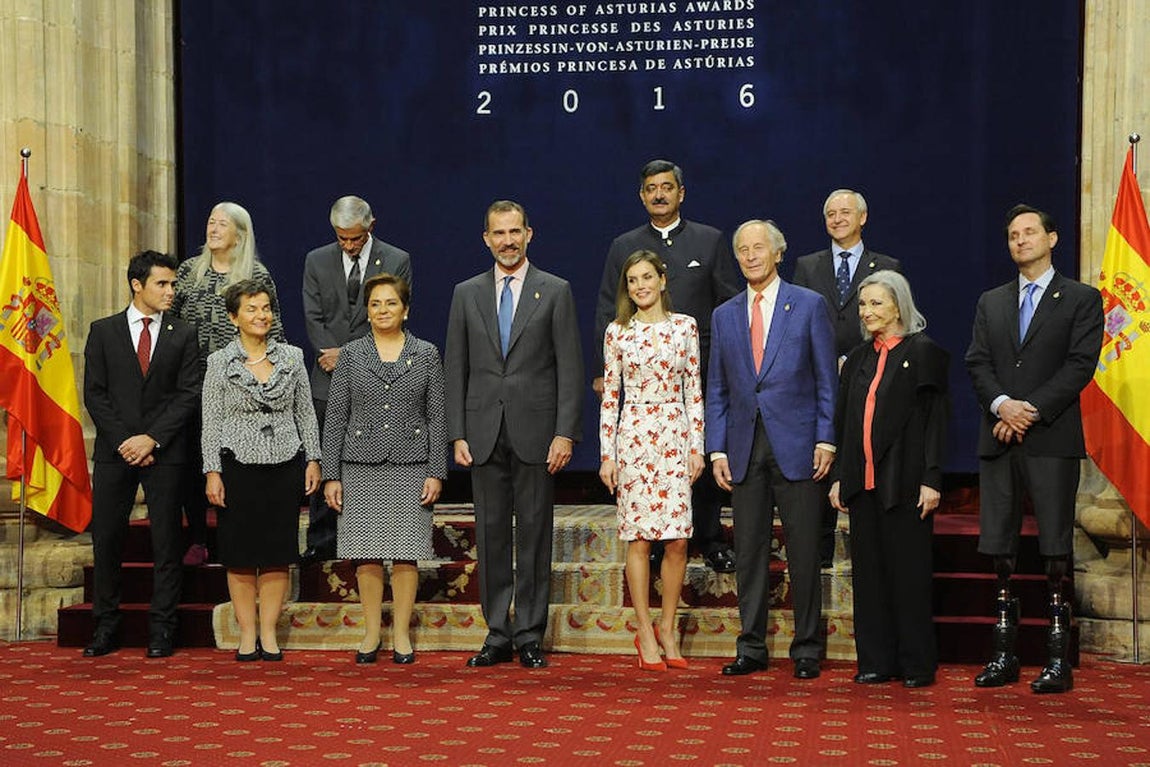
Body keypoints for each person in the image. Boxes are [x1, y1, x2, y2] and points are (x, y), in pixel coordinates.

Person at [965, 204, 1103, 694]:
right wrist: (1003, 405)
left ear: (1052, 239)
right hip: (1000, 436)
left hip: (1051, 437)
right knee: (999, 545)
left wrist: (1029, 410)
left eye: (1029, 233)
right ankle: (1004, 654)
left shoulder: (1082, 299)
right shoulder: (992, 301)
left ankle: (1056, 658)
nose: (1020, 241)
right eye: (1012, 235)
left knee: (1054, 548)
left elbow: (1081, 364)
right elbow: (978, 362)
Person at [445, 200, 583, 669]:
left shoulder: (556, 290)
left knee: (535, 534)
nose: (507, 241)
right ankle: (496, 633)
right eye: (498, 233)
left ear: (529, 234)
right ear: (486, 238)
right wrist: (457, 432)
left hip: (537, 433)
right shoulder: (465, 293)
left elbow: (570, 366)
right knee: (490, 535)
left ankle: (529, 632)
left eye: (515, 232)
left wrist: (565, 433)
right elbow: (456, 367)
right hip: (482, 432)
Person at [593, 159, 741, 574]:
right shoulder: (624, 245)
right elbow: (607, 306)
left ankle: (710, 538)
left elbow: (727, 306)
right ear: (641, 196)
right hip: (639, 375)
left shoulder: (709, 241)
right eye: (651, 188)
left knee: (702, 456)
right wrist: (602, 373)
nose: (659, 194)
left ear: (681, 193)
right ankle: (654, 542)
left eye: (667, 187)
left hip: (701, 370)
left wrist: (728, 370)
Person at [706, 219, 837, 679]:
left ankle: (806, 649)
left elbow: (826, 379)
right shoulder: (724, 315)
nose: (750, 256)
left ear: (778, 252)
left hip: (799, 445)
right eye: (742, 249)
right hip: (743, 449)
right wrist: (716, 450)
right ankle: (752, 645)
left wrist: (826, 437)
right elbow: (717, 388)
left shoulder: (808, 306)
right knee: (749, 552)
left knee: (803, 550)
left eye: (758, 247)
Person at [829, 270, 950, 688]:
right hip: (863, 485)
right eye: (863, 304)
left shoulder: (924, 352)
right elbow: (845, 423)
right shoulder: (857, 360)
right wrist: (841, 480)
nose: (867, 312)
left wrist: (932, 478)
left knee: (909, 575)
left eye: (876, 303)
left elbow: (935, 422)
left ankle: (916, 663)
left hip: (906, 483)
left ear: (899, 305)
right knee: (870, 575)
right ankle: (876, 660)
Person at [82, 250, 201, 658]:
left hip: (165, 453)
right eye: (162, 284)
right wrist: (127, 442)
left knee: (167, 542)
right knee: (108, 540)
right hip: (116, 453)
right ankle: (105, 626)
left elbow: (189, 393)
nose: (171, 291)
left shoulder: (183, 333)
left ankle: (162, 630)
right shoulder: (104, 331)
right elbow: (95, 395)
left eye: (172, 284)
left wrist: (151, 439)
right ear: (137, 285)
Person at [321, 273, 445, 665]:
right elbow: (336, 415)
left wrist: (436, 471)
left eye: (390, 303)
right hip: (359, 466)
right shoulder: (352, 354)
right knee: (367, 552)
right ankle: (372, 632)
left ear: (405, 310)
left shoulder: (426, 353)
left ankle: (403, 635)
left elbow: (437, 417)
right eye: (375, 304)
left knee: (407, 552)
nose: (382, 310)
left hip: (412, 465)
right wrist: (331, 474)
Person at [201, 280, 322, 662]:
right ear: (234, 317)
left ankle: (269, 633)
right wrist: (212, 471)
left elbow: (305, 412)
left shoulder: (292, 357)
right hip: (236, 467)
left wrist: (313, 458)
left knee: (276, 552)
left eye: (266, 308)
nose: (261, 315)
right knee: (239, 555)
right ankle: (246, 634)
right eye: (252, 309)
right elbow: (211, 421)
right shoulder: (219, 362)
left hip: (285, 464)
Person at [599, 251, 705, 671]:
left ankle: (667, 625)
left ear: (662, 280)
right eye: (632, 280)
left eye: (647, 277)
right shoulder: (617, 333)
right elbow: (611, 396)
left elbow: (693, 388)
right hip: (634, 437)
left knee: (678, 539)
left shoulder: (685, 327)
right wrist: (607, 455)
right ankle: (644, 629)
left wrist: (697, 446)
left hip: (675, 435)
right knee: (639, 540)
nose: (640, 285)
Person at [792, 189, 902, 569]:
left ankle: (870, 546)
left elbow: (894, 326)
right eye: (830, 214)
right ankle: (820, 547)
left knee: (865, 455)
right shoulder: (807, 266)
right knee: (821, 461)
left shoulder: (886, 265)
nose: (837, 219)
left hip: (869, 378)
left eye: (845, 212)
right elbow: (796, 326)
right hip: (817, 383)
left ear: (863, 217)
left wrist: (855, 363)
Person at [171, 201, 284, 566]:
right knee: (194, 461)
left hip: (239, 385)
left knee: (232, 463)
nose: (213, 229)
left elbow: (274, 330)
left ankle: (235, 538)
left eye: (222, 224)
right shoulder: (189, 272)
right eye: (210, 222)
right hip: (190, 382)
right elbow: (169, 325)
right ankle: (199, 539)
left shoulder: (255, 274)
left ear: (240, 233)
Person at [303, 196, 413, 566]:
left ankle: (372, 536)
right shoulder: (316, 260)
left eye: (356, 238)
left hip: (375, 374)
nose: (349, 245)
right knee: (325, 457)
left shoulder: (397, 259)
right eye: (342, 238)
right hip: (326, 374)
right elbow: (313, 316)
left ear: (371, 226)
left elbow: (389, 317)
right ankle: (321, 539)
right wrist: (328, 352)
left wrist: (349, 356)